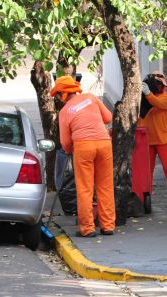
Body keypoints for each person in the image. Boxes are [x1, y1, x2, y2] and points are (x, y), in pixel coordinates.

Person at [51, 75, 116, 237]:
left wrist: (69, 150)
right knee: (105, 186)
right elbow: (108, 118)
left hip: (83, 147)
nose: (58, 99)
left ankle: (87, 229)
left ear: (62, 93)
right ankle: (108, 226)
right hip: (103, 143)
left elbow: (65, 143)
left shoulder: (65, 112)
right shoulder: (91, 98)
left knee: (85, 188)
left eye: (57, 95)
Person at [138, 72, 167, 210]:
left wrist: (147, 93)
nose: (160, 87)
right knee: (147, 173)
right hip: (147, 141)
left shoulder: (166, 98)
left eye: (161, 84)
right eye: (157, 84)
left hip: (164, 141)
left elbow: (157, 103)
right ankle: (144, 201)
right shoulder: (144, 99)